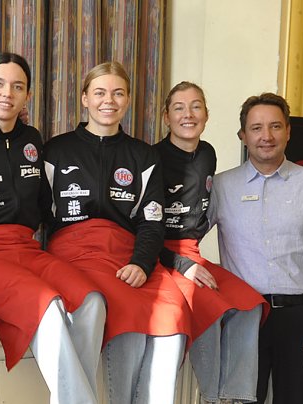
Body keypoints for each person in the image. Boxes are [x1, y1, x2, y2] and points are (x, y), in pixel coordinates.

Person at [0, 52, 106, 404]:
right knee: (48, 305)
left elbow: (46, 202)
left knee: (91, 301)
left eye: (17, 86)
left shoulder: (32, 139)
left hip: (26, 248)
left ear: (27, 95)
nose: (7, 93)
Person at [43, 61, 190, 403]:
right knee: (129, 317)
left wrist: (141, 263)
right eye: (99, 92)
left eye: (118, 93)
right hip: (74, 254)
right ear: (84, 99)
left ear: (128, 101)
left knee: (174, 316)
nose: (108, 100)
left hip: (129, 255)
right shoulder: (56, 150)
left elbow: (153, 220)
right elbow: (35, 212)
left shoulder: (143, 155)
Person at [208, 92, 303, 404]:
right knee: (242, 400)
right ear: (243, 135)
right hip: (244, 317)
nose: (266, 136)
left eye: (275, 126)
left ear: (288, 131)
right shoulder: (221, 186)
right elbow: (186, 238)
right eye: (256, 128)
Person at [154, 81, 267, 404]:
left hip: (193, 253)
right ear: (166, 117)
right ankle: (212, 397)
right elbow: (140, 231)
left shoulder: (207, 154)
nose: (188, 114)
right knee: (209, 305)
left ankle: (237, 396)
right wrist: (182, 265)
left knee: (249, 305)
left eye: (196, 107)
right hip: (159, 256)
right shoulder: (152, 158)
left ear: (206, 115)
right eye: (179, 108)